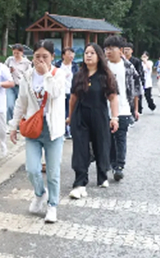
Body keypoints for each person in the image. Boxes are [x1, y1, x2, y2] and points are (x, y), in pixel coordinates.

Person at [9, 39, 66, 223]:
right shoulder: (27, 75)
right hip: (33, 127)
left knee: (53, 172)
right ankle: (40, 193)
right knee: (32, 169)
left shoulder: (59, 74)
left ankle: (52, 205)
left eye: (45, 56)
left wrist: (46, 74)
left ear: (52, 57)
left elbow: (55, 93)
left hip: (53, 129)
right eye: (37, 56)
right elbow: (21, 102)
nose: (40, 60)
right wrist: (13, 126)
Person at [67, 43, 119, 199]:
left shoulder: (106, 76)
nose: (88, 55)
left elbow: (113, 98)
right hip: (80, 115)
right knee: (80, 148)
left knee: (101, 145)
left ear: (99, 56)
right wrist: (70, 117)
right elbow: (73, 98)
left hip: (99, 114)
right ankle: (80, 182)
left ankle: (102, 174)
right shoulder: (78, 75)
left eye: (92, 53)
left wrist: (114, 118)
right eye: (86, 53)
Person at [104, 36, 141, 181]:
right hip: (104, 110)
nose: (108, 52)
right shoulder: (102, 66)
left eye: (111, 49)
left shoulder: (128, 67)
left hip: (124, 109)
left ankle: (119, 166)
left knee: (120, 139)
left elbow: (137, 89)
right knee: (108, 140)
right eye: (106, 49)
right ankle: (111, 162)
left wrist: (135, 109)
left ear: (120, 50)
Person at [54, 46, 79, 138]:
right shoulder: (57, 66)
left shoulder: (75, 66)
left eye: (72, 54)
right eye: (69, 54)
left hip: (71, 92)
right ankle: (63, 130)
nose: (71, 56)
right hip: (60, 92)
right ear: (63, 55)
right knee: (61, 112)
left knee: (71, 111)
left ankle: (70, 129)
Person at [4, 44, 32, 122]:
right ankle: (10, 122)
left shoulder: (27, 63)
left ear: (22, 52)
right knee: (10, 105)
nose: (16, 55)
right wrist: (9, 70)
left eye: (18, 53)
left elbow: (29, 75)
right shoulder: (9, 60)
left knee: (20, 107)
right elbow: (3, 71)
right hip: (10, 85)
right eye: (14, 53)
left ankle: (19, 123)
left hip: (21, 86)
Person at [123, 41, 144, 118]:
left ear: (132, 50)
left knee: (135, 98)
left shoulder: (136, 61)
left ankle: (136, 111)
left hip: (134, 82)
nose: (126, 51)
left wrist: (141, 82)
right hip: (124, 83)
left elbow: (140, 72)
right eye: (125, 49)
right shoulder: (121, 60)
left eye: (128, 49)